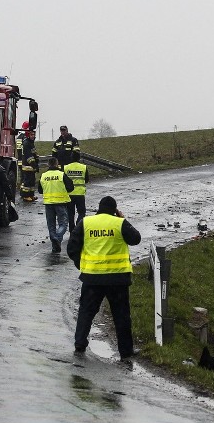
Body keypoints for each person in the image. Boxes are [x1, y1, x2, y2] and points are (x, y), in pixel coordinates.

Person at [67, 196, 142, 361]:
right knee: (121, 315)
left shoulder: (86, 223)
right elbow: (136, 239)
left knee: (86, 311)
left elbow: (72, 247)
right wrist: (123, 219)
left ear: (98, 209)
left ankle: (80, 342)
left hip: (92, 278)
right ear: (115, 210)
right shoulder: (119, 223)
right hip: (117, 279)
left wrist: (82, 265)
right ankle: (125, 351)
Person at [38, 157, 74, 253]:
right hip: (61, 203)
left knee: (51, 225)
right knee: (63, 223)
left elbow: (40, 190)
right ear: (57, 164)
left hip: (48, 203)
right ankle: (57, 237)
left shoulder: (43, 176)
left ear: (48, 165)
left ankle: (55, 246)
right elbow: (71, 187)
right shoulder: (61, 174)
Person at [64, 149, 89, 229]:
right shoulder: (83, 167)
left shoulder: (66, 167)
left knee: (70, 213)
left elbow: (63, 180)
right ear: (79, 158)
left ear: (71, 158)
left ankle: (71, 228)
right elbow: (87, 179)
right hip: (80, 194)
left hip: (69, 194)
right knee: (81, 212)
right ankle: (79, 224)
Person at [20, 126, 39, 202]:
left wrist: (36, 161)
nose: (33, 136)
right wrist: (34, 165)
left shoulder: (31, 143)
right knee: (27, 182)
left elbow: (34, 153)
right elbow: (29, 157)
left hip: (31, 166)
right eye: (31, 135)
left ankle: (31, 195)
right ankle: (26, 196)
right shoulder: (26, 143)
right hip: (28, 166)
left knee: (32, 181)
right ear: (28, 135)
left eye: (33, 134)